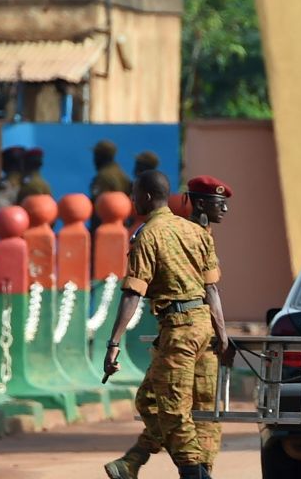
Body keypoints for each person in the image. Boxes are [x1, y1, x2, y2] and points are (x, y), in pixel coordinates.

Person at [102, 170, 232, 479]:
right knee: (200, 407)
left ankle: (195, 474)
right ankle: (136, 460)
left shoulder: (147, 235)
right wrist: (222, 335)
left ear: (147, 197)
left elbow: (134, 293)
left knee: (170, 407)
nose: (132, 199)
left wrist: (114, 344)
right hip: (205, 328)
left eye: (134, 194)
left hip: (179, 330)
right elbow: (211, 288)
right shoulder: (195, 232)